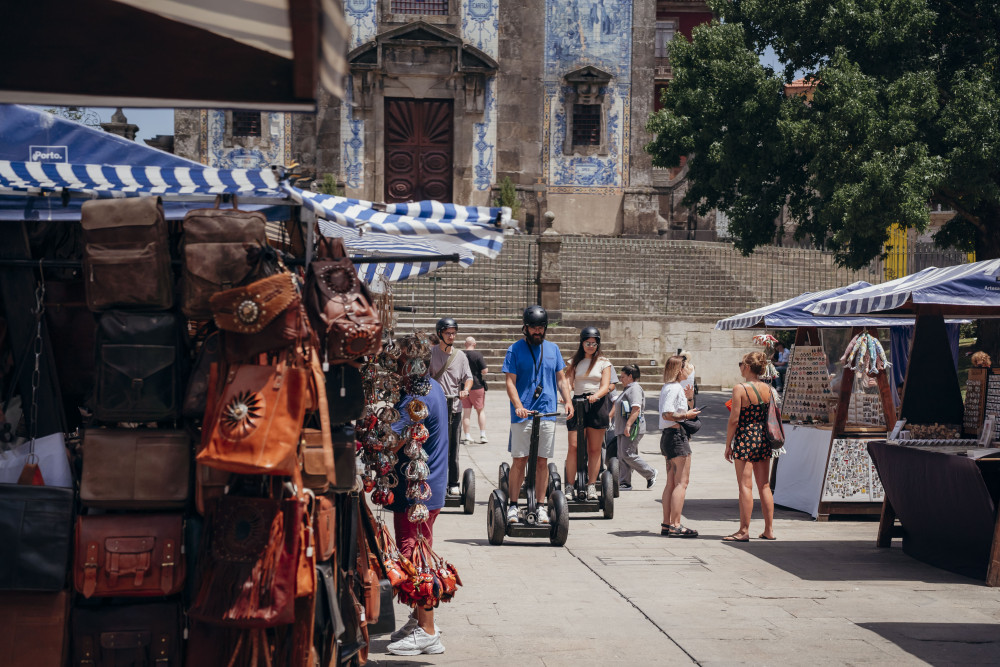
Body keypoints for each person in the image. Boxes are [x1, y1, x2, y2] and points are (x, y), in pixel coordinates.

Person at [386, 333, 448, 656]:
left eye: (397, 363)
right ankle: (418, 619)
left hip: (417, 493)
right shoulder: (433, 387)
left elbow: (393, 441)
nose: (395, 370)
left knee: (415, 555)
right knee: (416, 551)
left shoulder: (416, 396)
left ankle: (427, 629)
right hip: (428, 488)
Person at [502, 305, 574, 524]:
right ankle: (513, 505)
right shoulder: (514, 349)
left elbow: (561, 379)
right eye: (533, 327)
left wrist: (568, 400)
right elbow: (509, 382)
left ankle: (541, 506)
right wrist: (517, 405)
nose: (537, 331)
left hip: (547, 412)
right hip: (522, 414)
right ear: (525, 328)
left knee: (542, 461)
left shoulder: (553, 349)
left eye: (541, 328)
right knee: (519, 460)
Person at [723, 351, 777, 542]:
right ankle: (769, 530)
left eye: (741, 364)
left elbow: (734, 420)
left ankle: (744, 531)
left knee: (745, 486)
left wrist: (728, 444)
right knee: (764, 485)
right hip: (763, 437)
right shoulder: (768, 389)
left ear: (746, 367)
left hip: (745, 437)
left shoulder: (740, 388)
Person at [565, 326, 613, 501]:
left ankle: (591, 485)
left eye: (594, 343)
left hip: (596, 405)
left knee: (594, 449)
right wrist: (566, 398)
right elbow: (568, 383)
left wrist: (596, 396)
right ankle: (570, 485)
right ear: (582, 343)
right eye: (588, 343)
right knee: (573, 447)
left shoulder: (604, 362)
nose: (591, 346)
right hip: (577, 404)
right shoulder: (573, 362)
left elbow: (605, 386)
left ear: (598, 344)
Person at [429, 317, 473, 496]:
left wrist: (466, 390)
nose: (452, 336)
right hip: (435, 409)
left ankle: (453, 481)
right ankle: (433, 480)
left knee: (453, 447)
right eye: (448, 333)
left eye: (454, 333)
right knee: (433, 446)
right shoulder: (431, 354)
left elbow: (468, 378)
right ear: (440, 334)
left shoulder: (460, 356)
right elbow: (424, 376)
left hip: (454, 407)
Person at [659, 354, 701, 537]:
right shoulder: (674, 388)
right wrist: (686, 416)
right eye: (685, 368)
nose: (688, 371)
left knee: (671, 483)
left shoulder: (669, 387)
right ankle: (676, 524)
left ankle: (667, 524)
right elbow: (667, 414)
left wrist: (689, 400)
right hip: (676, 436)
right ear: (678, 370)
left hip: (669, 436)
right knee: (681, 483)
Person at [612, 364, 656, 490]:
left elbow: (636, 408)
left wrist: (628, 425)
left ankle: (650, 473)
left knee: (627, 453)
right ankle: (625, 482)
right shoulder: (628, 388)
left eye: (623, 376)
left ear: (630, 376)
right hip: (623, 428)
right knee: (622, 455)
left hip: (631, 427)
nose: (621, 379)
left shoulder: (634, 389)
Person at [461, 336, 489, 444]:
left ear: (465, 344)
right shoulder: (477, 355)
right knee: (480, 411)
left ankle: (467, 436)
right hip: (477, 386)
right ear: (475, 344)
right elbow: (485, 370)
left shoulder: (460, 355)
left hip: (464, 387)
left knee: (466, 412)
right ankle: (482, 435)